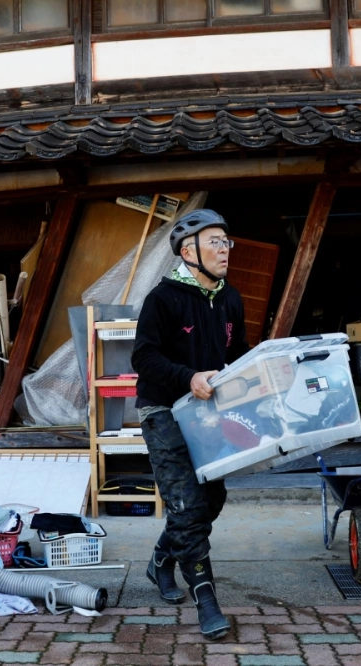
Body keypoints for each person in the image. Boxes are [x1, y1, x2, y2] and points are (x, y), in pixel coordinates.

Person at [131, 208, 248, 640]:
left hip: (209, 413)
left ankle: (161, 560)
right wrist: (188, 377)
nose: (224, 249)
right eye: (215, 241)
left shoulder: (230, 298)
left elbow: (239, 354)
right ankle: (207, 601)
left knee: (210, 500)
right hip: (163, 410)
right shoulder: (161, 299)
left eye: (226, 242)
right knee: (185, 505)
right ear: (188, 250)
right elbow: (143, 357)